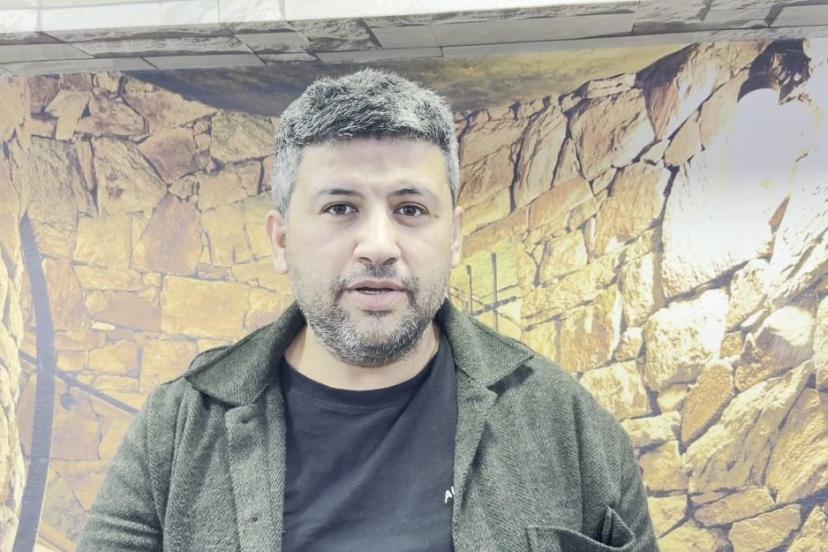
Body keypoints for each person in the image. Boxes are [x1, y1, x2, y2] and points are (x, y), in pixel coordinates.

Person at [77, 68, 658, 551]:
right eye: (340, 208)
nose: (379, 245)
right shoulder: (177, 430)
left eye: (410, 209)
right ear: (281, 240)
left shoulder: (568, 425)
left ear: (454, 237)